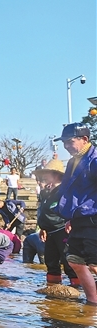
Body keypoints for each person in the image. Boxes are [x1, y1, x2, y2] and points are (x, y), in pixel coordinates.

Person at [55, 123, 97, 305]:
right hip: (79, 218)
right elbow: (70, 191)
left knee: (95, 263)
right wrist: (70, 216)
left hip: (93, 218)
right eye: (64, 142)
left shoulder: (95, 159)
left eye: (69, 142)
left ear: (84, 139)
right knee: (75, 261)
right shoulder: (73, 161)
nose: (66, 146)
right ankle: (93, 302)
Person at [34, 159, 78, 286]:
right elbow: (44, 212)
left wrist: (71, 221)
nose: (43, 177)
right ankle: (53, 290)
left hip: (62, 230)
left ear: (56, 175)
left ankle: (78, 289)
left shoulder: (65, 191)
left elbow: (72, 207)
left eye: (46, 173)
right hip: (49, 232)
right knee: (51, 261)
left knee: (68, 260)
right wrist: (42, 228)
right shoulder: (47, 192)